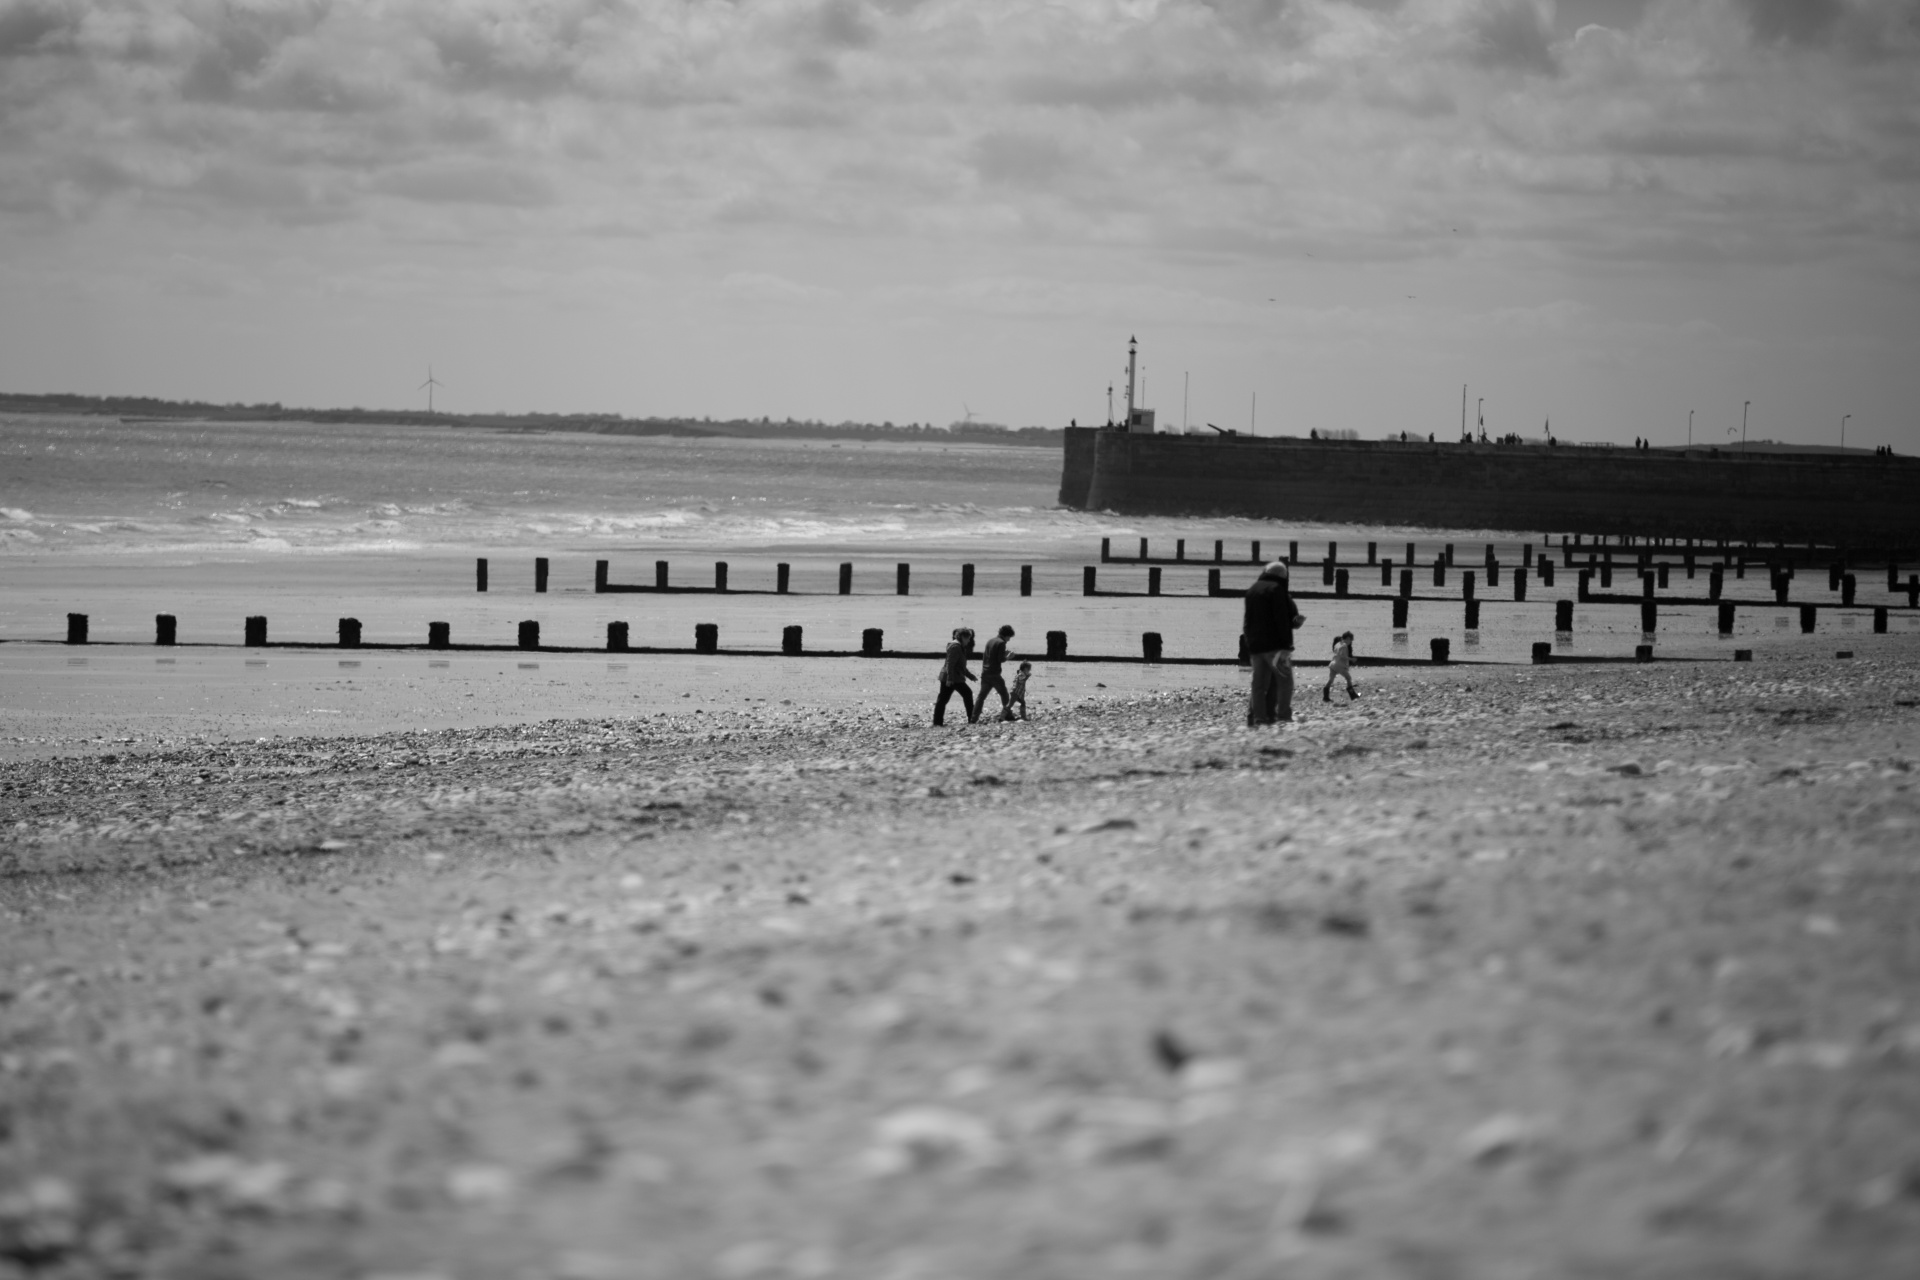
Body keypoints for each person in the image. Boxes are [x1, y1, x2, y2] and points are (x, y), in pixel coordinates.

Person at [1243, 561, 1302, 726]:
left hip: (1255, 646)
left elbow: (1248, 621)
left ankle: (1258, 718)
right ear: (1283, 576)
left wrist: (1249, 642)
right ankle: (1283, 715)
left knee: (1258, 684)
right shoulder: (1277, 590)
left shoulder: (1252, 589)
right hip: (1275, 646)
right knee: (1285, 681)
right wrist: (1287, 645)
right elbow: (1281, 619)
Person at [932, 627, 977, 726]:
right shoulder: (955, 647)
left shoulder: (959, 646)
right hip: (952, 678)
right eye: (968, 638)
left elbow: (960, 665)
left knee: (943, 700)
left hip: (952, 677)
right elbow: (950, 664)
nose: (969, 641)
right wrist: (950, 679)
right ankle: (972, 720)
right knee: (967, 694)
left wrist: (970, 676)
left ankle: (937, 723)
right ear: (962, 637)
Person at [977, 624, 1015, 721]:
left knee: (981, 697)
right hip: (994, 674)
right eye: (1009, 637)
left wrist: (1003, 652)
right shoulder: (1002, 642)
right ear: (1006, 635)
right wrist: (1008, 657)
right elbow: (1000, 659)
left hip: (985, 672)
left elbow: (989, 655)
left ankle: (973, 718)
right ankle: (1008, 715)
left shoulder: (990, 641)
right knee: (1004, 695)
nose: (1009, 639)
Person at [1323, 630, 1358, 702]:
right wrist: (1352, 659)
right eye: (1351, 640)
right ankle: (1353, 695)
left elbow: (1336, 653)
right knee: (1348, 678)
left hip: (1333, 664)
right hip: (1339, 665)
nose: (1350, 642)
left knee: (1330, 680)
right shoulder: (1344, 646)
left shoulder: (1338, 644)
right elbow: (1343, 656)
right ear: (1348, 638)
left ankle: (1325, 697)